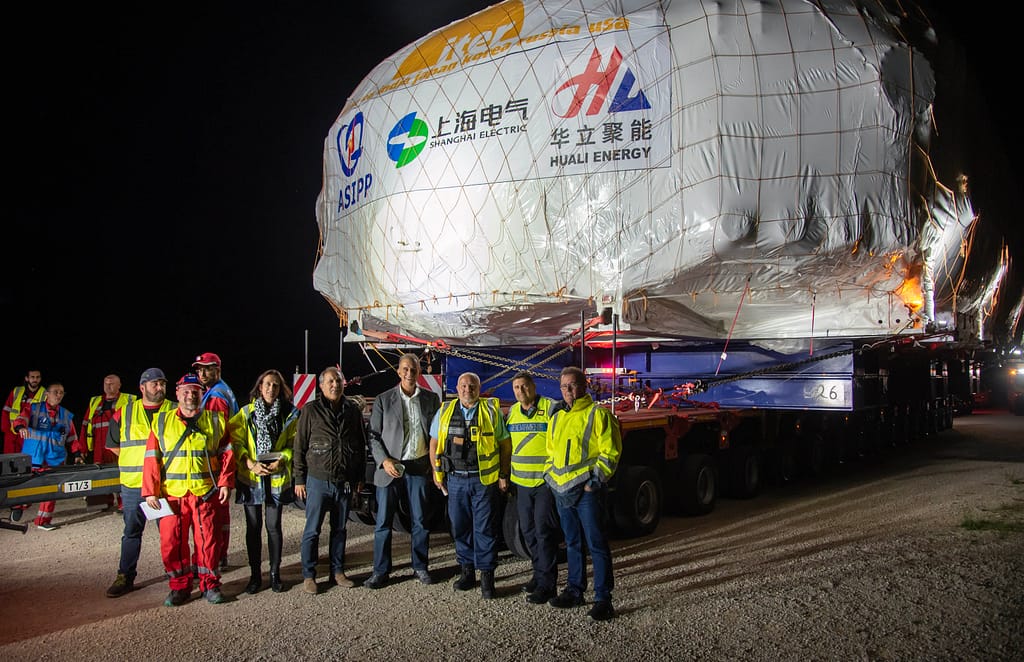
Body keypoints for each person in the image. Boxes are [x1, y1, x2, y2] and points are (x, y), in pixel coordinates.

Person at [142, 373, 235, 606]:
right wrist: (150, 491)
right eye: (185, 390)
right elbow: (152, 457)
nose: (190, 395)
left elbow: (227, 454)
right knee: (172, 543)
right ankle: (179, 587)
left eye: (195, 391)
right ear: (177, 393)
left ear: (201, 394)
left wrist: (225, 482)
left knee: (209, 543)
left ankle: (210, 585)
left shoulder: (216, 420)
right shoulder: (162, 422)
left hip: (204, 493)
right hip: (172, 494)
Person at [545, 366, 622, 621]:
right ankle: (574, 591)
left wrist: (594, 482)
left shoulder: (597, 414)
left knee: (596, 544)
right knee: (572, 543)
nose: (568, 391)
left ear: (584, 385)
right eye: (564, 387)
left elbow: (610, 452)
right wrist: (550, 477)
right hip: (562, 491)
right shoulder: (557, 417)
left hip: (588, 492)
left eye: (573, 385)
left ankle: (603, 599)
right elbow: (550, 452)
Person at [428, 372, 511, 599]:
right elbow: (434, 442)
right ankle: (467, 572)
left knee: (484, 529)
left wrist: (503, 474)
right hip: (455, 480)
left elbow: (504, 444)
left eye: (472, 385)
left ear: (479, 387)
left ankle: (486, 576)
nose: (467, 389)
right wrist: (437, 472)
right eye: (463, 385)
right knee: (460, 527)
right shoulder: (444, 411)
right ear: (457, 387)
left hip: (483, 480)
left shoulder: (491, 410)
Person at [364, 353, 441, 589]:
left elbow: (437, 434)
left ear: (419, 373)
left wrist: (433, 464)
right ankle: (380, 571)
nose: (409, 373)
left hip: (417, 466)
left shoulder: (431, 399)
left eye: (414, 370)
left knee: (420, 521)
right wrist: (383, 461)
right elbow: (373, 435)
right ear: (398, 372)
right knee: (383, 522)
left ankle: (420, 567)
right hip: (390, 466)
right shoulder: (383, 399)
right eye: (405, 369)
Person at [293, 367, 366, 595]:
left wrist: (359, 478)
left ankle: (338, 572)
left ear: (344, 384)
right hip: (317, 481)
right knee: (312, 530)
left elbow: (360, 445)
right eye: (330, 381)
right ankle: (309, 575)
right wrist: (299, 478)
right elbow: (299, 446)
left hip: (344, 482)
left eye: (338, 381)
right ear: (322, 386)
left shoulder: (352, 410)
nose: (335, 385)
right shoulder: (311, 410)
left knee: (340, 529)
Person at [104, 368, 176, 597]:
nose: (160, 388)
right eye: (154, 384)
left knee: (169, 532)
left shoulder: (174, 409)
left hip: (165, 484)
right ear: (142, 387)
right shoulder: (124, 412)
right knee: (132, 531)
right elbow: (113, 445)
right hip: (134, 485)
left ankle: (176, 573)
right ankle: (125, 576)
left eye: (162, 384)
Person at [228, 369, 298, 594]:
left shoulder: (289, 413)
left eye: (276, 385)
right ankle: (255, 576)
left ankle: (275, 574)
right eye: (267, 384)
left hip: (276, 477)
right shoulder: (246, 413)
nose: (271, 389)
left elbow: (294, 445)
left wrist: (282, 460)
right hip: (252, 478)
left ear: (281, 389)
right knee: (253, 528)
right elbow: (235, 441)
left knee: (274, 527)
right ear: (260, 387)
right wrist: (249, 463)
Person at [506, 371, 561, 604]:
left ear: (534, 386)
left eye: (524, 386)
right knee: (528, 532)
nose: (521, 391)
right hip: (521, 483)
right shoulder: (512, 413)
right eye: (516, 388)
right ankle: (538, 575)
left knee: (543, 532)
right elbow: (506, 445)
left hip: (543, 482)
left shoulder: (550, 408)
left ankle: (548, 584)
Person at [192, 351, 238, 571]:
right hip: (222, 463)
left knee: (215, 515)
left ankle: (217, 556)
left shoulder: (216, 396)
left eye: (207, 368)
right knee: (221, 514)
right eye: (199, 369)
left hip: (216, 464)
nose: (202, 373)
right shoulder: (220, 390)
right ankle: (220, 554)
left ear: (217, 370)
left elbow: (216, 435)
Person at [13, 381, 81, 531]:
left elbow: (72, 437)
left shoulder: (66, 415)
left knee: (52, 489)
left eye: (61, 392)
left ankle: (43, 520)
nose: (59, 395)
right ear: (47, 394)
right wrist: (20, 427)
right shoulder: (34, 408)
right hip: (33, 455)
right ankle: (20, 505)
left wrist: (77, 454)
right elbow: (20, 419)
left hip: (55, 457)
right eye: (56, 392)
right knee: (27, 485)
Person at [79, 374, 134, 510]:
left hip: (119, 444)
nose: (108, 387)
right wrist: (82, 449)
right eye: (106, 384)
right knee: (99, 474)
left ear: (119, 385)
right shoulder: (95, 402)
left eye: (112, 384)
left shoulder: (129, 399)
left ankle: (124, 504)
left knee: (122, 473)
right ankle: (102, 503)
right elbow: (85, 425)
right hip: (98, 445)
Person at [3, 369, 44, 455]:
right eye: (32, 377)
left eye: (37, 377)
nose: (35, 380)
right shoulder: (17, 391)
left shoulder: (45, 394)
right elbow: (6, 410)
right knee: (9, 462)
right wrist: (7, 431)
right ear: (26, 378)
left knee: (28, 462)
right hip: (12, 434)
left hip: (30, 435)